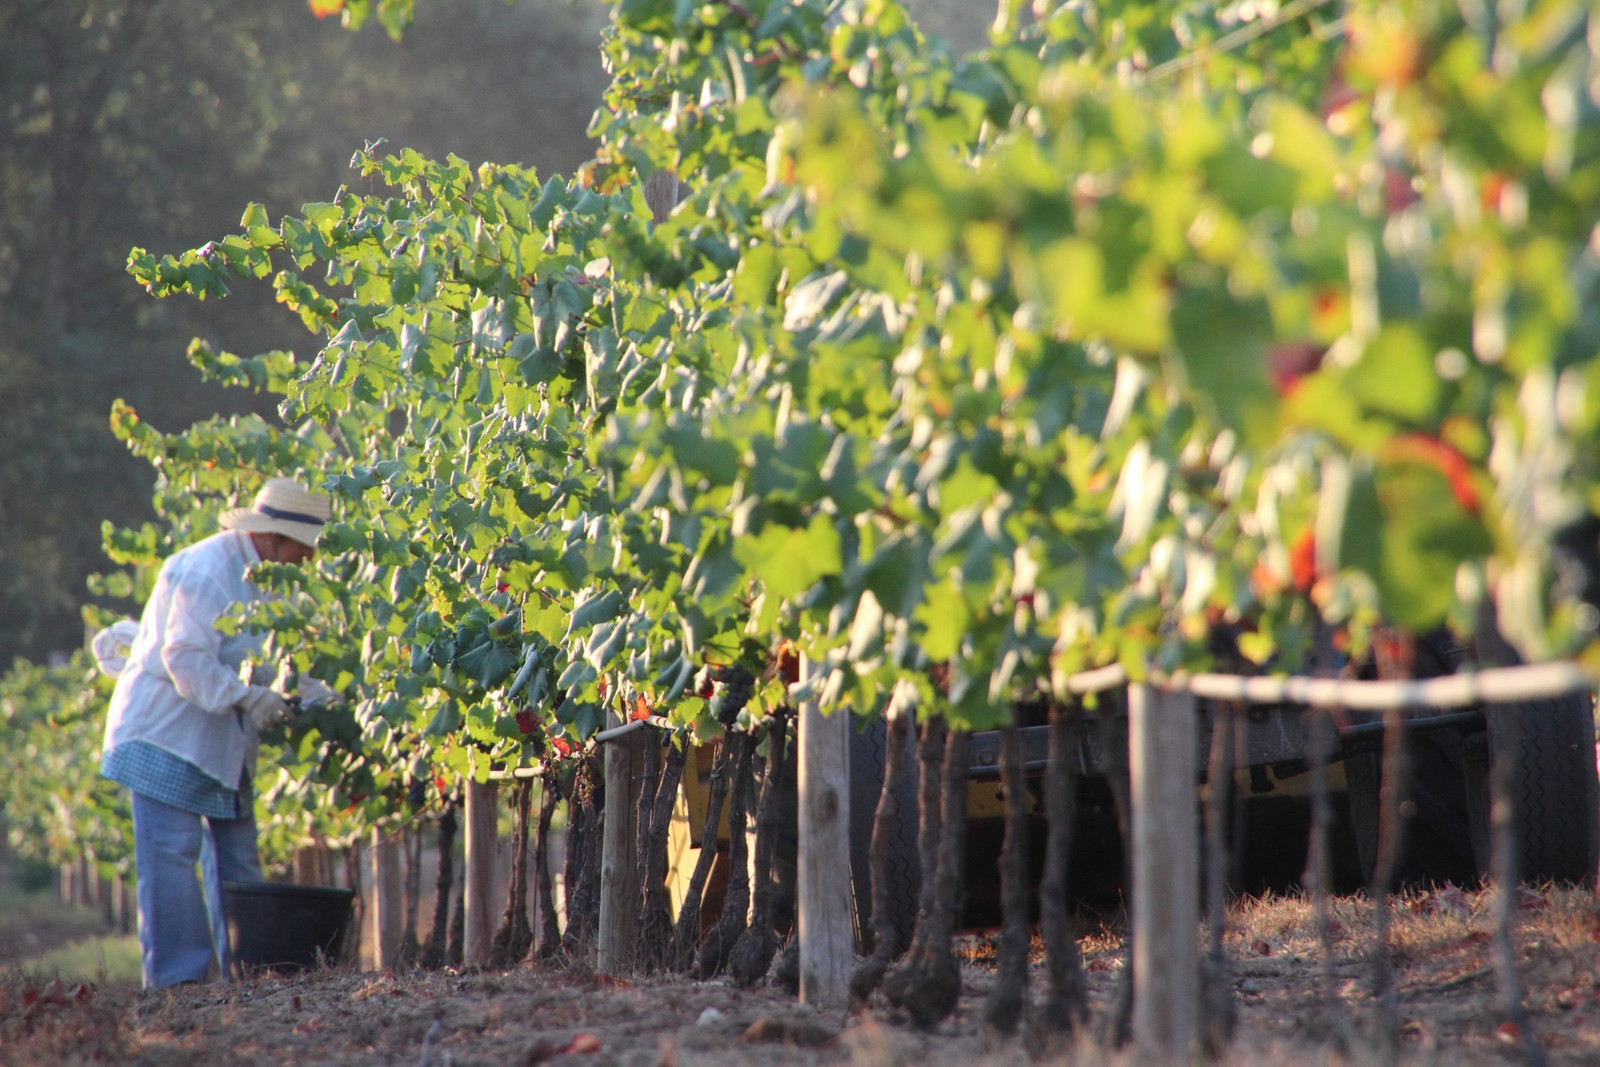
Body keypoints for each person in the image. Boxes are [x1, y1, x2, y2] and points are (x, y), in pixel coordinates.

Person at [100, 477, 330, 989]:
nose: (307, 561)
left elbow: (260, 659)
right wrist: (248, 698)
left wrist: (313, 694)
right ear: (273, 538)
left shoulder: (264, 579)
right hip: (167, 735)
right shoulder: (205, 570)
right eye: (303, 548)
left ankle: (249, 974)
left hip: (220, 739)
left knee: (239, 859)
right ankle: (178, 984)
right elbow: (183, 658)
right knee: (172, 856)